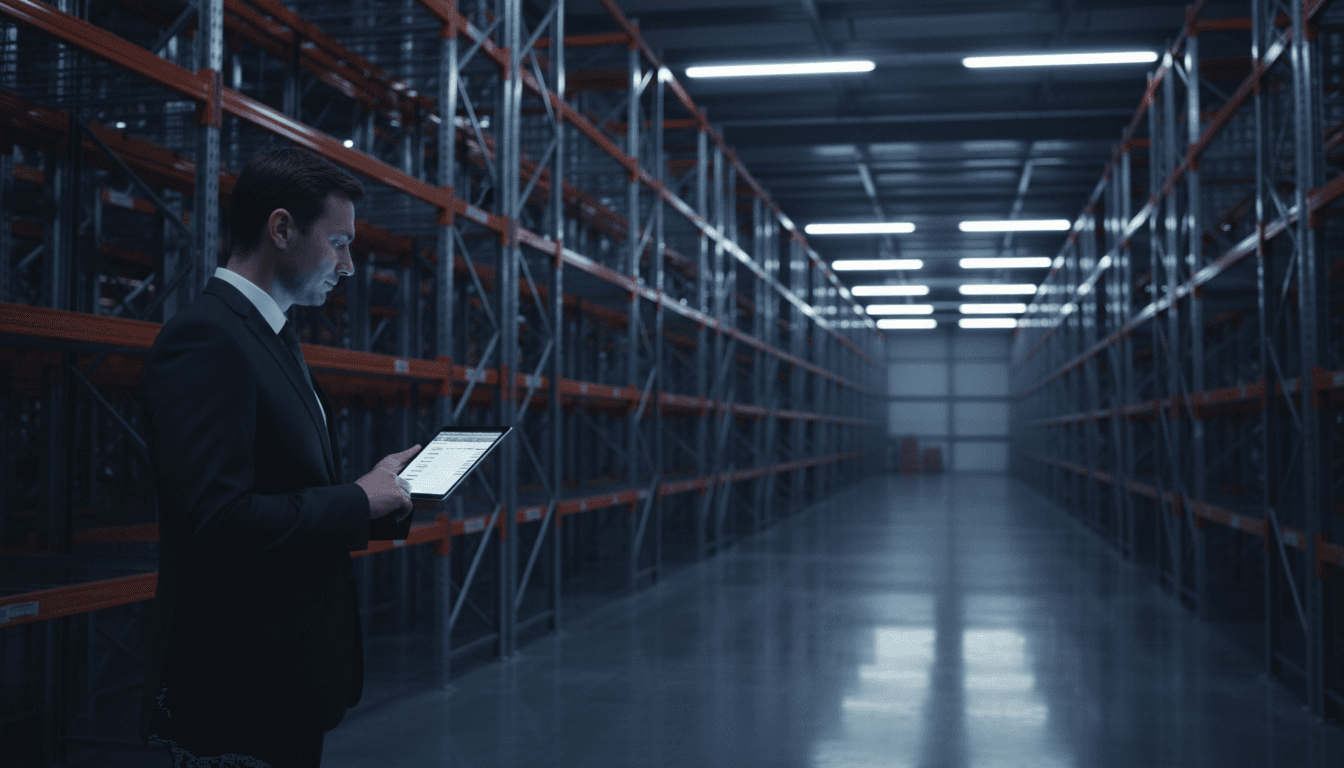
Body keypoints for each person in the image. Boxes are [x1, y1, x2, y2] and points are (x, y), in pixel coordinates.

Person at [138, 147, 422, 767]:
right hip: (239, 684)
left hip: (285, 677)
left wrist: (376, 497)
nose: (349, 266)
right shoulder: (208, 338)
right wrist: (354, 501)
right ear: (282, 229)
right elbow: (215, 522)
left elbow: (278, 488)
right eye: (339, 243)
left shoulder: (271, 334)